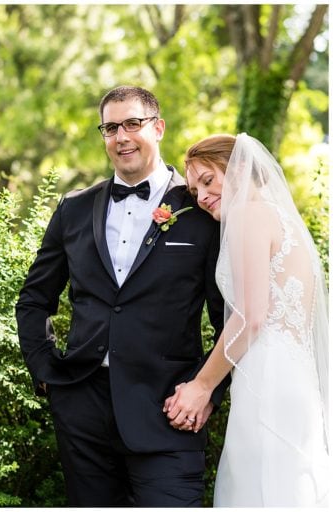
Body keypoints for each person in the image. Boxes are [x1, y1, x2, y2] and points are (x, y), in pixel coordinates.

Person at [14, 85, 228, 506]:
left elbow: (232, 317)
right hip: (82, 408)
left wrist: (207, 390)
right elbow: (35, 298)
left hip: (169, 408)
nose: (121, 137)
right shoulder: (73, 208)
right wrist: (48, 372)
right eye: (110, 128)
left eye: (133, 124)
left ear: (158, 128)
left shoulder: (201, 207)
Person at [163, 133, 330, 506]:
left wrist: (201, 386)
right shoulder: (281, 218)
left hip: (267, 382)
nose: (202, 196)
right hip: (295, 382)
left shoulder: (248, 214)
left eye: (208, 181)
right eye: (194, 191)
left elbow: (251, 317)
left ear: (239, 168)